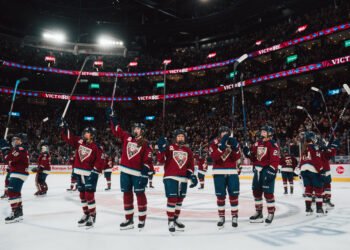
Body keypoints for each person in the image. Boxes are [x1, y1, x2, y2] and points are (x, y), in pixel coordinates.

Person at [109, 110, 153, 230]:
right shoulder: (127, 137)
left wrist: (145, 175)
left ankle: (142, 219)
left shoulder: (146, 144)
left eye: (137, 128)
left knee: (140, 194)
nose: (135, 129)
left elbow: (147, 161)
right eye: (134, 127)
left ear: (142, 131)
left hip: (137, 174)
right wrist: (113, 118)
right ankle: (129, 219)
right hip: (125, 172)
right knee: (126, 195)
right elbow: (117, 131)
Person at [58, 118, 104, 228]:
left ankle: (92, 215)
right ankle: (86, 213)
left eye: (87, 133)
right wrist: (64, 127)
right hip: (79, 171)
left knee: (89, 195)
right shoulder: (79, 141)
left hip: (90, 174)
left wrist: (95, 171)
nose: (84, 134)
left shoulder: (97, 147)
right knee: (82, 195)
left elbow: (100, 161)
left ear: (92, 135)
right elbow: (69, 138)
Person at [157, 129, 198, 233]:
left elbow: (190, 166)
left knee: (180, 200)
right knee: (172, 199)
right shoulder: (169, 147)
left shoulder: (188, 150)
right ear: (175, 138)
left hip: (183, 178)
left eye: (182, 136)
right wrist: (161, 149)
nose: (181, 138)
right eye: (179, 136)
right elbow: (161, 160)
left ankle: (175, 218)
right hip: (170, 177)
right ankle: (170, 220)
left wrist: (191, 176)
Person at [243, 125, 280, 224]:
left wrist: (272, 171)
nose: (262, 133)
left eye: (264, 131)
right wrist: (247, 153)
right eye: (262, 131)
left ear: (270, 133)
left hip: (267, 170)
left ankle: (271, 212)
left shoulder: (272, 144)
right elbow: (254, 157)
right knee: (256, 191)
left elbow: (275, 159)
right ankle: (259, 212)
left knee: (268, 193)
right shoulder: (257, 143)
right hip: (257, 171)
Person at [209, 126, 241, 228]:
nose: (225, 134)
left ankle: (234, 216)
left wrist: (235, 148)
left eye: (227, 132)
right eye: (223, 132)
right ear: (220, 134)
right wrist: (221, 147)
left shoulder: (233, 141)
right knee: (220, 196)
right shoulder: (214, 143)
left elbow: (237, 157)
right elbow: (213, 157)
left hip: (232, 172)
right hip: (218, 172)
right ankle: (221, 217)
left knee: (234, 195)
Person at [0, 134, 29, 223]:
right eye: (14, 140)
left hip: (18, 173)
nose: (14, 141)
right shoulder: (21, 149)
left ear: (22, 141)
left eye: (17, 140)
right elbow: (11, 160)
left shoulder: (20, 149)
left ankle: (15, 212)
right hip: (19, 173)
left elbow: (8, 158)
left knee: (11, 192)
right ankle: (19, 212)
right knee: (16, 192)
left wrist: (5, 149)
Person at [299, 131, 325, 216]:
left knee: (308, 190)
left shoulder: (304, 147)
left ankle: (308, 209)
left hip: (304, 170)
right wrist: (321, 169)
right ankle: (319, 209)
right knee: (318, 189)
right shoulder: (314, 146)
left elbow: (302, 160)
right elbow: (316, 159)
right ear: (312, 138)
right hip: (313, 169)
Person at [321, 138, 339, 209]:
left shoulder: (325, 151)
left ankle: (327, 199)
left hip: (326, 171)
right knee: (320, 186)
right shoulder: (317, 149)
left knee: (327, 186)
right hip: (319, 171)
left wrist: (333, 147)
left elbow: (332, 154)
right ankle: (321, 200)